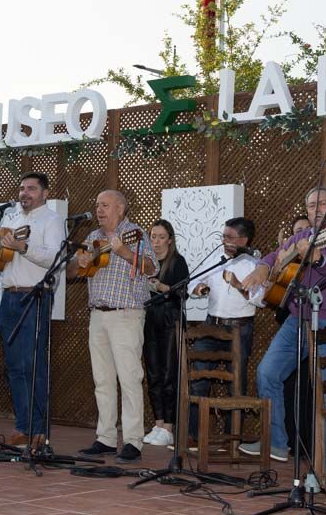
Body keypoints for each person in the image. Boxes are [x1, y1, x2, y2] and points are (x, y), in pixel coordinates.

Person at [238, 187, 326, 465]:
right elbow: (274, 256)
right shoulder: (304, 235)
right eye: (310, 206)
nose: (316, 209)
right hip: (297, 317)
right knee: (267, 373)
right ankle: (278, 443)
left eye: (322, 204)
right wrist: (261, 268)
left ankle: (325, 461)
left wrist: (316, 256)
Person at [70, 190, 157, 463]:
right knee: (102, 380)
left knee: (130, 379)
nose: (99, 210)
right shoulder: (92, 237)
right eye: (97, 205)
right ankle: (105, 438)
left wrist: (123, 251)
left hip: (126, 315)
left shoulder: (135, 233)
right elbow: (73, 272)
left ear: (120, 208)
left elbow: (151, 267)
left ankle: (133, 441)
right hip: (98, 315)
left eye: (105, 205)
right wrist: (79, 262)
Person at [0, 172, 63, 447]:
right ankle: (22, 425)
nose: (25, 193)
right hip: (9, 298)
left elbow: (55, 258)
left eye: (32, 189)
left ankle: (38, 429)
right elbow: (0, 263)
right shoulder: (11, 220)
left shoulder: (52, 220)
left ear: (45, 193)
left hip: (34, 297)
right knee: (14, 366)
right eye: (22, 188)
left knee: (33, 365)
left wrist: (23, 246)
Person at [186, 217, 258, 442]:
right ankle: (194, 438)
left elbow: (261, 299)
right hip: (211, 326)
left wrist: (238, 285)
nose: (224, 241)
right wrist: (198, 288)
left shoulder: (255, 265)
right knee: (197, 379)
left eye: (230, 237)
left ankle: (232, 439)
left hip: (239, 329)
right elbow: (191, 283)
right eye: (223, 236)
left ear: (244, 239)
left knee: (235, 385)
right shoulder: (214, 259)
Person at [142, 219, 189, 449]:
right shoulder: (146, 262)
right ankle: (158, 423)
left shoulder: (177, 262)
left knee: (169, 372)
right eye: (153, 236)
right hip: (149, 319)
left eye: (161, 237)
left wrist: (161, 287)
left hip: (171, 319)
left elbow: (182, 294)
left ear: (170, 240)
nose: (157, 241)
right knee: (153, 373)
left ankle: (169, 426)